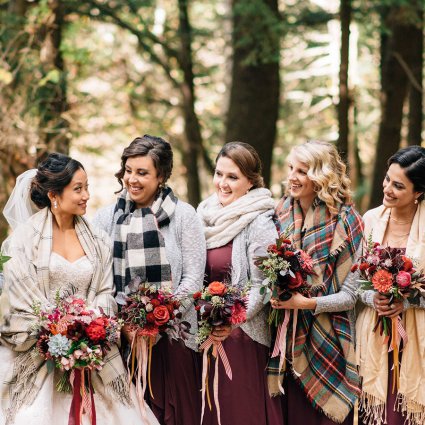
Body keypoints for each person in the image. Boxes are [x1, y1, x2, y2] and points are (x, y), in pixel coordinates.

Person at [0, 153, 158, 425]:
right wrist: (57, 329)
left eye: (87, 187)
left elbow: (105, 292)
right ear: (54, 195)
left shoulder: (98, 241)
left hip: (93, 350)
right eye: (78, 189)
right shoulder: (23, 241)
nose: (86, 195)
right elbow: (20, 298)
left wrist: (88, 327)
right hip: (38, 351)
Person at [93, 134, 206, 425]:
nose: (132, 179)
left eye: (142, 173)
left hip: (174, 341)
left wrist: (158, 321)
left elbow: (193, 279)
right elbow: (100, 281)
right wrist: (125, 328)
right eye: (129, 171)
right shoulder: (106, 218)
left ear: (161, 177)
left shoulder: (183, 216)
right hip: (123, 344)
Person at [269, 140, 363, 424]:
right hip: (286, 339)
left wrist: (307, 303)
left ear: (321, 176)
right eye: (290, 168)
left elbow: (351, 295)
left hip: (329, 339)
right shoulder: (279, 213)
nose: (292, 177)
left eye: (302, 170)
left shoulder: (348, 222)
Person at [197, 141, 284, 425]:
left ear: (250, 182)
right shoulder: (204, 214)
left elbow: (264, 283)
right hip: (206, 334)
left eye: (232, 177)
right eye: (219, 173)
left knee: (240, 413)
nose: (222, 183)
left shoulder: (259, 221)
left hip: (242, 336)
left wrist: (230, 320)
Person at [356, 146, 425, 425]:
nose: (387, 189)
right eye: (387, 180)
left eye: (398, 185)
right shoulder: (371, 219)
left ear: (418, 192)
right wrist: (373, 298)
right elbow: (357, 282)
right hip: (375, 333)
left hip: (417, 337)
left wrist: (407, 301)